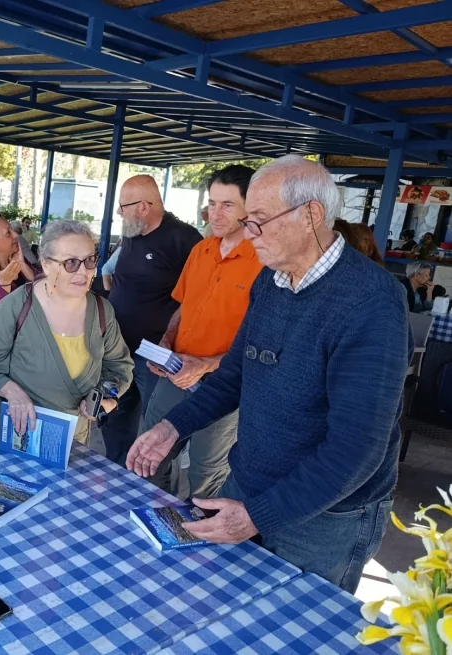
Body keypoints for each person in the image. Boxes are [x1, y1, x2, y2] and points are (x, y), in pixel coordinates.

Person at [127, 155, 411, 594]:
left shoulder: (372, 302)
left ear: (311, 216)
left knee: (298, 634)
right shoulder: (271, 281)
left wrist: (258, 516)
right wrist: (172, 426)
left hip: (327, 516)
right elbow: (233, 376)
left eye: (257, 220)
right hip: (250, 485)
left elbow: (357, 450)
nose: (247, 232)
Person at [142, 164, 261, 498]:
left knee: (206, 471)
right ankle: (155, 521)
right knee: (151, 450)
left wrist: (206, 365)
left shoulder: (263, 260)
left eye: (227, 205)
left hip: (223, 383)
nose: (215, 213)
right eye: (212, 203)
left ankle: (203, 542)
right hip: (176, 372)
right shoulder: (201, 250)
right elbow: (184, 306)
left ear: (249, 209)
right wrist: (167, 342)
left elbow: (261, 336)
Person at [0, 220, 133, 448]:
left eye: (90, 260)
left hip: (68, 443)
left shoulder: (102, 311)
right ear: (46, 265)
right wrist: (11, 391)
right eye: (71, 263)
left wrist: (106, 398)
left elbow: (119, 367)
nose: (83, 271)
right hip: (9, 440)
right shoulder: (17, 306)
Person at [101, 175, 202, 466]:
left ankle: (154, 497)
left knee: (155, 431)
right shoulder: (133, 233)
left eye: (123, 206)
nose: (119, 212)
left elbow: (197, 298)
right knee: (115, 417)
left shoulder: (184, 239)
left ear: (144, 206)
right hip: (118, 349)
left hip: (155, 356)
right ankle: (116, 477)